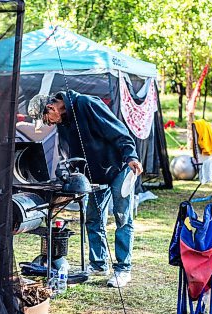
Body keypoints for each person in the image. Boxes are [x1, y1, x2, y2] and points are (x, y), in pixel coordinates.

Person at [28, 90, 143, 288]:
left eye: (47, 119)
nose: (49, 124)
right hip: (95, 174)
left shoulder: (87, 104)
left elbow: (118, 131)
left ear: (51, 108)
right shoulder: (63, 121)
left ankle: (123, 269)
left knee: (122, 218)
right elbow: (69, 151)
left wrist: (131, 156)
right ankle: (99, 264)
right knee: (93, 218)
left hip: (118, 167)